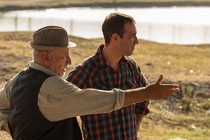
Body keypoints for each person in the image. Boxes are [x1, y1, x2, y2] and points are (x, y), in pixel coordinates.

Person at [0, 25, 179, 140]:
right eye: (65, 56)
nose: (69, 62)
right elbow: (99, 100)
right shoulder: (51, 86)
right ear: (45, 57)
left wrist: (10, 126)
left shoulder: (19, 79)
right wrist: (146, 93)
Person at [66, 12, 163, 140]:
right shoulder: (85, 71)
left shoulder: (131, 66)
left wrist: (135, 127)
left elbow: (145, 97)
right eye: (132, 36)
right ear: (115, 38)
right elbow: (62, 105)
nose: (137, 41)